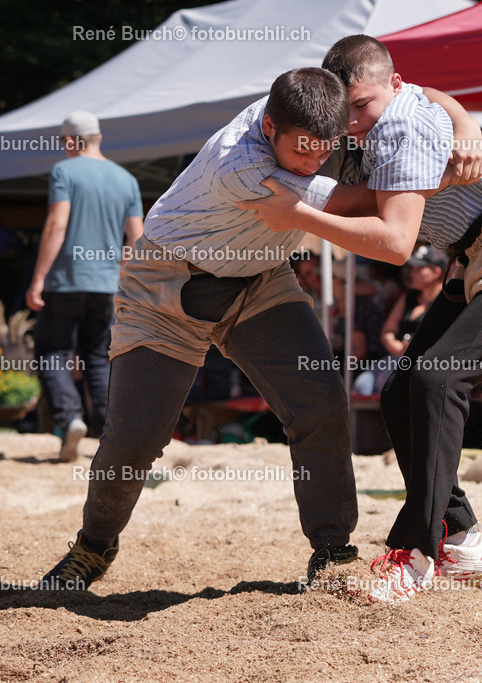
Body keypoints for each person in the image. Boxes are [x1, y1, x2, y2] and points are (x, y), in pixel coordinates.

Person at [241, 35, 482, 602]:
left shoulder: (399, 123)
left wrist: (297, 212)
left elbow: (395, 244)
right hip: (478, 249)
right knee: (401, 392)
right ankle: (464, 538)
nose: (353, 122)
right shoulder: (389, 109)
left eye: (362, 105)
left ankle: (417, 553)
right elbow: (425, 104)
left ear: (392, 87)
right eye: (345, 110)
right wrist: (465, 130)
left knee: (437, 378)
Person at [40, 68, 362, 592]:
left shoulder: (304, 114)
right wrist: (433, 180)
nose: (313, 162)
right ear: (269, 126)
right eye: (302, 151)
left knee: (320, 400)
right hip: (165, 284)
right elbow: (357, 205)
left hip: (258, 276)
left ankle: (333, 548)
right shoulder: (241, 163)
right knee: (134, 441)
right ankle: (94, 545)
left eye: (324, 151)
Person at [26, 109, 144, 461]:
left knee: (52, 352)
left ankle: (69, 419)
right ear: (98, 138)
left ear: (70, 141)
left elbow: (57, 225)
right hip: (106, 285)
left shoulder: (65, 171)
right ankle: (114, 438)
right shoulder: (126, 179)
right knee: (97, 358)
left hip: (65, 280)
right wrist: (121, 277)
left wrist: (38, 278)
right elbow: (136, 239)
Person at [354, 244, 446, 396]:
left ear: (436, 272)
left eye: (418, 269)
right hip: (398, 355)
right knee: (362, 385)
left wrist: (415, 349)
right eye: (412, 269)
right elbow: (388, 330)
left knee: (386, 381)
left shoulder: (446, 301)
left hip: (428, 361)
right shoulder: (408, 297)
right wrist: (395, 346)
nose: (412, 274)